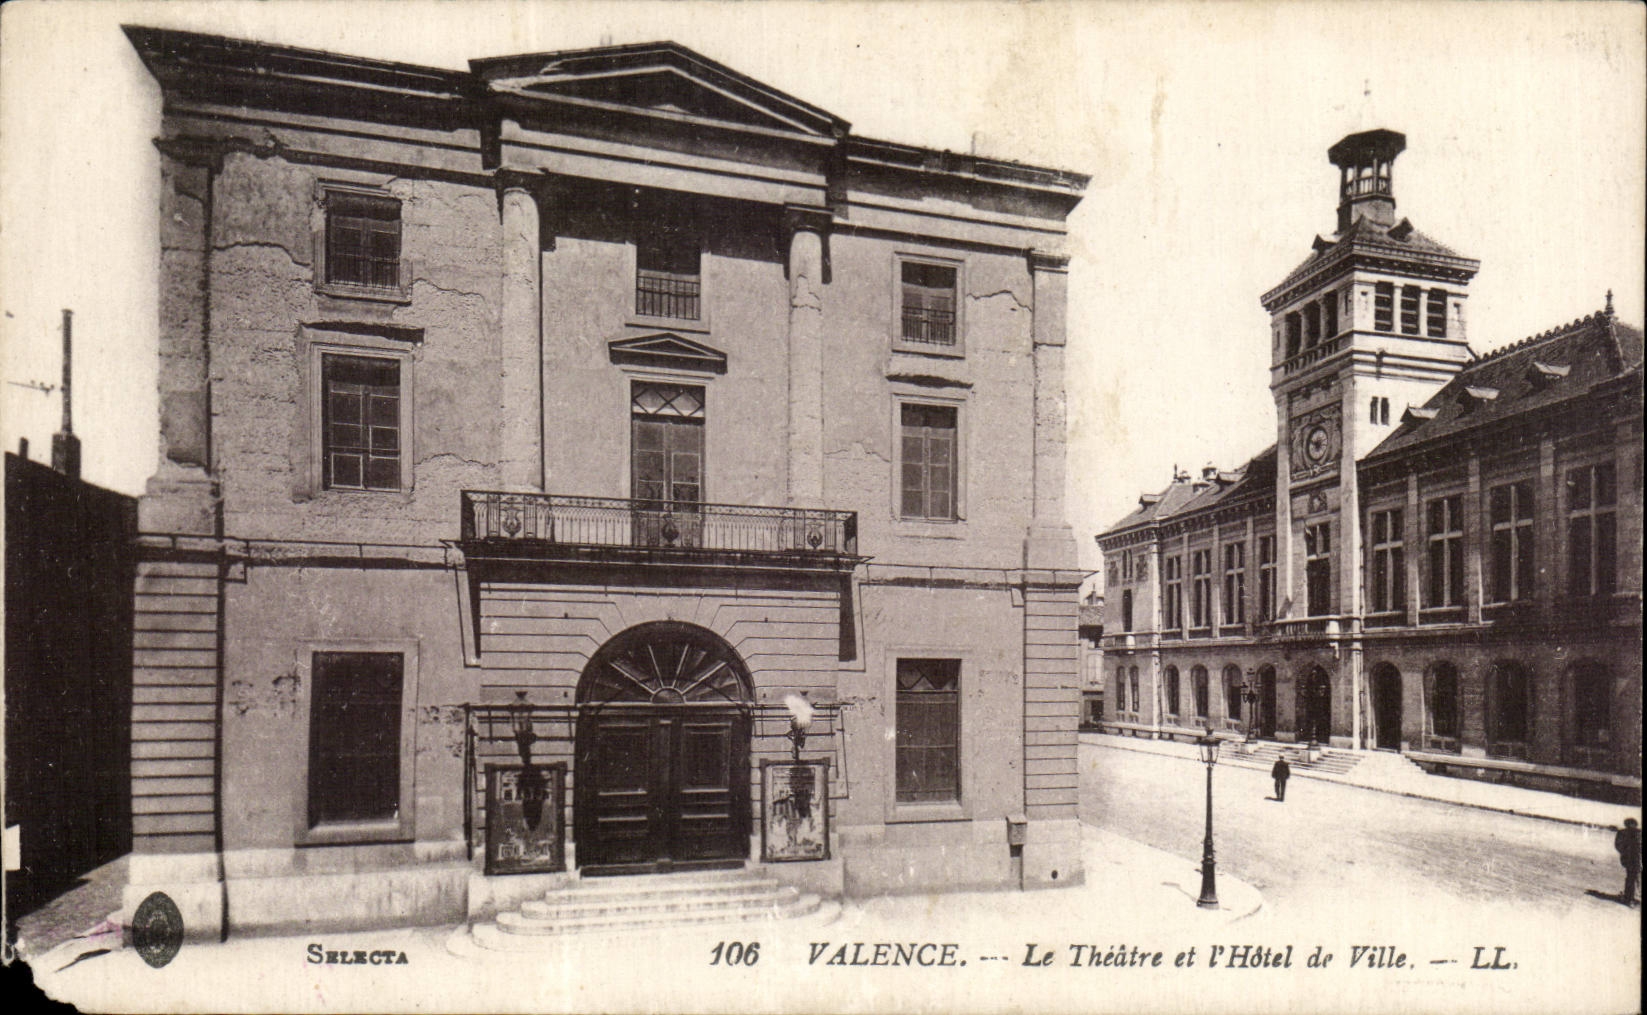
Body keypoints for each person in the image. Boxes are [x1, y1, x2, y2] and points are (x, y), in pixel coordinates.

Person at [1616, 818, 1641, 906]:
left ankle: (1629, 898)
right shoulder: (1639, 833)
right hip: (1637, 859)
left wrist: (1624, 853)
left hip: (1629, 860)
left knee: (1631, 878)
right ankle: (1631, 898)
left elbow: (1618, 845)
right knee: (1634, 878)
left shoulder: (1622, 832)